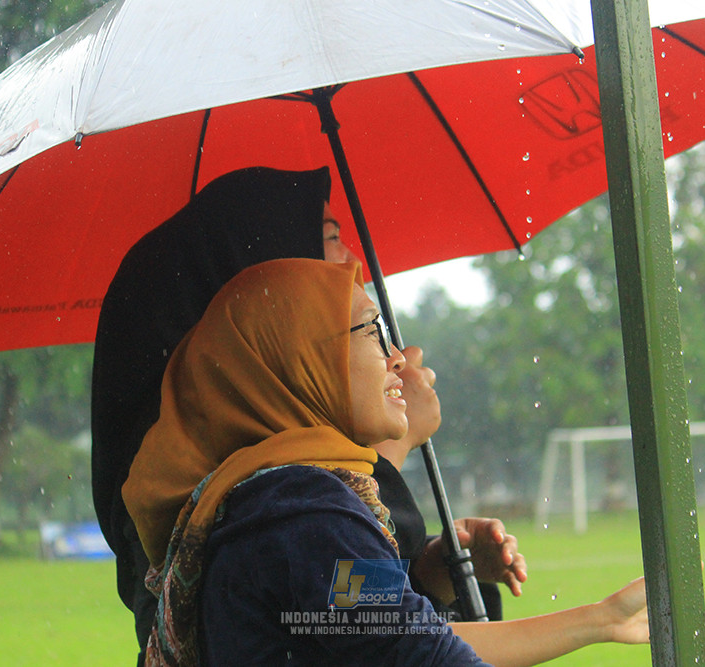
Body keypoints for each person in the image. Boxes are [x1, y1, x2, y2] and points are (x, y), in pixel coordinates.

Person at [123, 258, 649, 666]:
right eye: (372, 333)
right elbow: (423, 656)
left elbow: (395, 637)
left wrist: (599, 620)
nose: (399, 356)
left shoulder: (267, 504)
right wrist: (596, 622)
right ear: (299, 360)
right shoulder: (301, 511)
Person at [92, 166, 519, 663]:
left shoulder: (276, 485)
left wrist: (434, 570)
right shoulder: (277, 497)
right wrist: (393, 447)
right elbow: (387, 640)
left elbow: (344, 615)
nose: (351, 262)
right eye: (330, 237)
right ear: (264, 265)